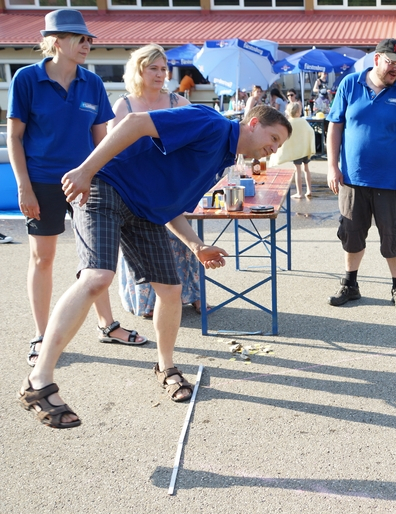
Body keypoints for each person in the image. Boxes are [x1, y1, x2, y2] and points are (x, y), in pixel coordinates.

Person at [18, 104, 292, 428]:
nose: (274, 149)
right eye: (274, 138)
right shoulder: (213, 124)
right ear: (254, 123)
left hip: (145, 213)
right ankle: (39, 380)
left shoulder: (224, 160)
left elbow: (170, 207)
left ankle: (165, 367)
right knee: (97, 277)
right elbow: (135, 122)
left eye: (279, 145)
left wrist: (196, 246)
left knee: (172, 291)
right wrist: (86, 170)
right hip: (106, 186)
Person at [7, 9, 146, 369]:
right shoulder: (26, 79)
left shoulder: (92, 83)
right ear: (55, 41)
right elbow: (15, 137)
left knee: (95, 260)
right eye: (79, 39)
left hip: (87, 181)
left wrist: (110, 181)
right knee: (43, 258)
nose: (86, 45)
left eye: (88, 39)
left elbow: (102, 142)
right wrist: (24, 188)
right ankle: (42, 335)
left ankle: (107, 325)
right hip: (41, 182)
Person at [110, 44, 206, 320]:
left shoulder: (179, 103)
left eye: (163, 69)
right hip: (134, 187)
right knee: (142, 244)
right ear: (138, 70)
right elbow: (112, 149)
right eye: (153, 68)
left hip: (171, 185)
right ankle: (147, 302)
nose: (160, 74)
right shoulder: (123, 105)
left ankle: (195, 295)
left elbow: (196, 142)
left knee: (183, 243)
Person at [326, 38, 396, 312]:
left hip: (392, 181)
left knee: (394, 236)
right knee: (351, 234)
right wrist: (332, 166)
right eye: (392, 62)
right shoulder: (350, 84)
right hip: (352, 179)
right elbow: (335, 127)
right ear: (377, 58)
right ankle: (350, 284)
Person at [270, 101, 315, 199]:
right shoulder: (303, 121)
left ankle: (299, 192)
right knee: (306, 169)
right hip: (305, 149)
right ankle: (309, 190)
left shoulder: (289, 123)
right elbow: (310, 131)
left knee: (298, 170)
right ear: (298, 111)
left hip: (296, 151)